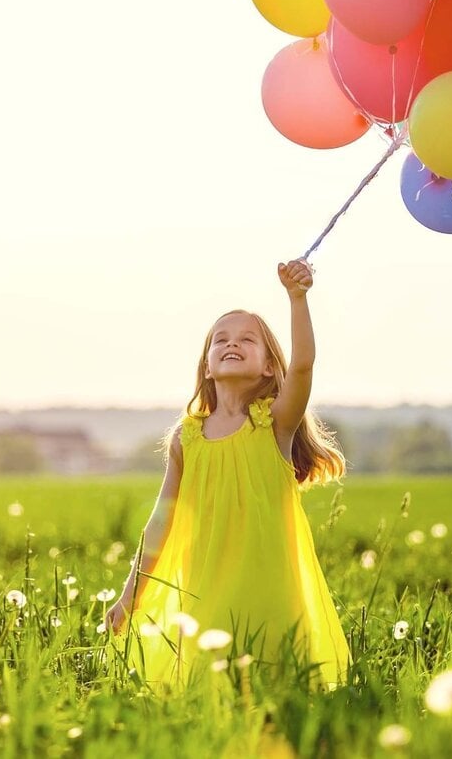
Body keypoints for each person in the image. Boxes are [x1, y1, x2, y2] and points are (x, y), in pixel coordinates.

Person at [104, 259, 350, 692]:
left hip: (269, 583)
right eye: (220, 339)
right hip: (206, 586)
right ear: (207, 366)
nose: (231, 343)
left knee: (272, 689)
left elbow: (305, 367)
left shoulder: (274, 423)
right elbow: (160, 522)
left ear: (270, 367)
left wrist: (297, 299)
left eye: (246, 339)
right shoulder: (187, 438)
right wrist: (130, 594)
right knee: (210, 690)